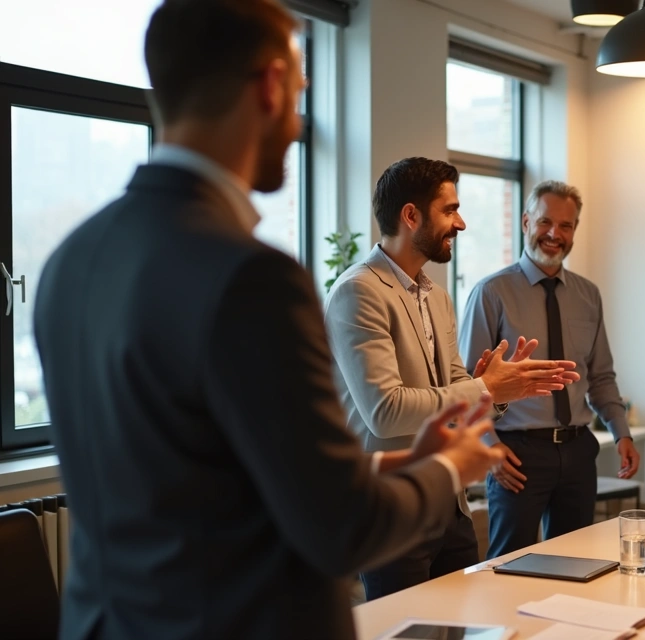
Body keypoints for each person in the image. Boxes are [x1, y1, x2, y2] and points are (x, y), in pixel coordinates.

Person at [32, 2, 504, 639]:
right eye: (303, 90)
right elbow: (338, 526)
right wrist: (451, 467)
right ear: (271, 83)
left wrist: (405, 461)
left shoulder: (70, 260)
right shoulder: (251, 278)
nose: (298, 116)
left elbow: (209, 476)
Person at [324, 159, 579, 598]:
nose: (460, 223)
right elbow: (386, 412)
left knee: (458, 625)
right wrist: (484, 387)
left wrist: (500, 389)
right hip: (393, 511)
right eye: (450, 210)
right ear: (410, 216)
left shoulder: (436, 295)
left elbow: (455, 388)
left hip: (450, 505)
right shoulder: (358, 291)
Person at [459, 180, 641, 559]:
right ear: (526, 221)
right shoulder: (491, 293)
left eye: (566, 225)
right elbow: (466, 385)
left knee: (575, 564)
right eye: (545, 222)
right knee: (510, 565)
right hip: (518, 454)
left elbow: (601, 376)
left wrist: (621, 432)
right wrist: (490, 448)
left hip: (577, 452)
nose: (554, 234)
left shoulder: (588, 295)